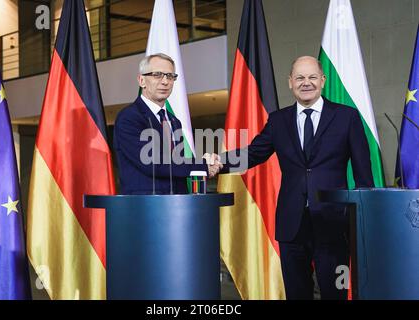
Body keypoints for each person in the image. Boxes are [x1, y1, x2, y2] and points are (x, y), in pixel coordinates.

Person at [216, 56, 374, 299]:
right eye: (299, 77)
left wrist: (363, 222)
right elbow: (254, 154)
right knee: (297, 294)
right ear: (290, 82)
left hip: (333, 224)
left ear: (323, 80)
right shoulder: (278, 120)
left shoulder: (347, 117)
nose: (306, 83)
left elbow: (364, 174)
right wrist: (220, 163)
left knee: (336, 293)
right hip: (292, 224)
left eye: (312, 77)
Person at [114, 53, 221, 194]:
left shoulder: (174, 121)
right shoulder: (129, 118)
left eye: (170, 76)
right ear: (141, 81)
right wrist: (203, 165)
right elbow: (153, 163)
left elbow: (179, 162)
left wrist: (213, 162)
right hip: (145, 207)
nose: (165, 81)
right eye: (157, 75)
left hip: (179, 206)